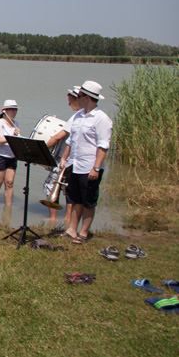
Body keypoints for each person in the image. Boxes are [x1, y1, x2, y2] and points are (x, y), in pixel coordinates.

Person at [60, 80, 112, 244]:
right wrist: (64, 157)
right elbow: (71, 140)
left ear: (87, 97)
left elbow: (103, 146)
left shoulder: (101, 119)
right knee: (75, 199)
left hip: (90, 166)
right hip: (75, 164)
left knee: (88, 201)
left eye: (80, 95)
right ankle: (72, 229)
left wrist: (96, 168)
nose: (77, 98)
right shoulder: (78, 115)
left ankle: (83, 232)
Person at [41, 86, 82, 222]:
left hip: (65, 160)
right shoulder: (84, 115)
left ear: (76, 99)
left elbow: (58, 136)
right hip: (77, 160)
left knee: (52, 187)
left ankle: (53, 220)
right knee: (69, 191)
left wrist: (42, 148)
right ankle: (68, 221)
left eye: (70, 100)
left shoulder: (76, 117)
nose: (68, 103)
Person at [0, 100, 20, 206]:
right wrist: (12, 137)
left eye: (15, 109)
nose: (14, 111)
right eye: (11, 109)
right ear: (5, 110)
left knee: (9, 183)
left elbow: (16, 140)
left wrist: (17, 137)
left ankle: (8, 208)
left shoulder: (16, 124)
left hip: (11, 156)